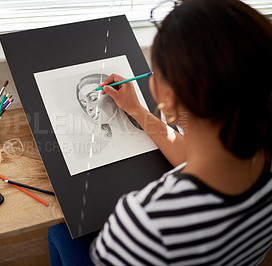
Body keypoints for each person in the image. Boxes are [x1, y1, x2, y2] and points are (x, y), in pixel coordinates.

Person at [48, 0, 272, 265]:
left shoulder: (145, 222)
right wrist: (139, 112)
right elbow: (194, 156)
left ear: (168, 98)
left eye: (157, 73)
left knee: (60, 233)